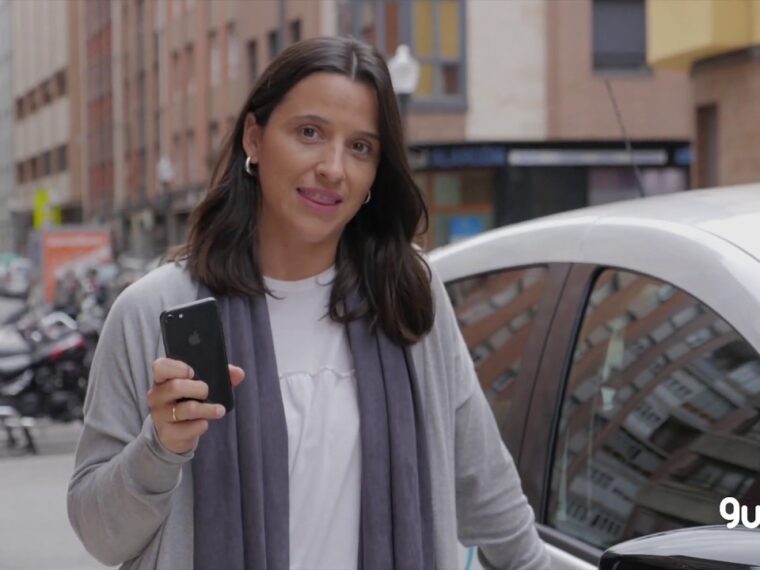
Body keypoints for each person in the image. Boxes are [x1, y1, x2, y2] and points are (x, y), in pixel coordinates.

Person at [67, 36, 550, 570]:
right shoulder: (152, 311)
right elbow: (99, 535)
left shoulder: (408, 292)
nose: (333, 168)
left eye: (361, 147)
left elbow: (487, 490)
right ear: (255, 137)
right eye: (310, 133)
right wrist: (160, 448)